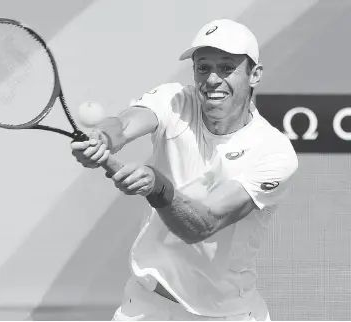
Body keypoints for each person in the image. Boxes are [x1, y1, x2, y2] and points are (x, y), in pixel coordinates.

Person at [71, 19, 298, 321]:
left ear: (254, 75)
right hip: (144, 306)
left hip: (227, 313)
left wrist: (157, 186)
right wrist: (104, 138)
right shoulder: (176, 100)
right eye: (203, 68)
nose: (213, 79)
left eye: (227, 67)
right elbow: (127, 122)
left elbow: (202, 225)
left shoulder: (273, 152)